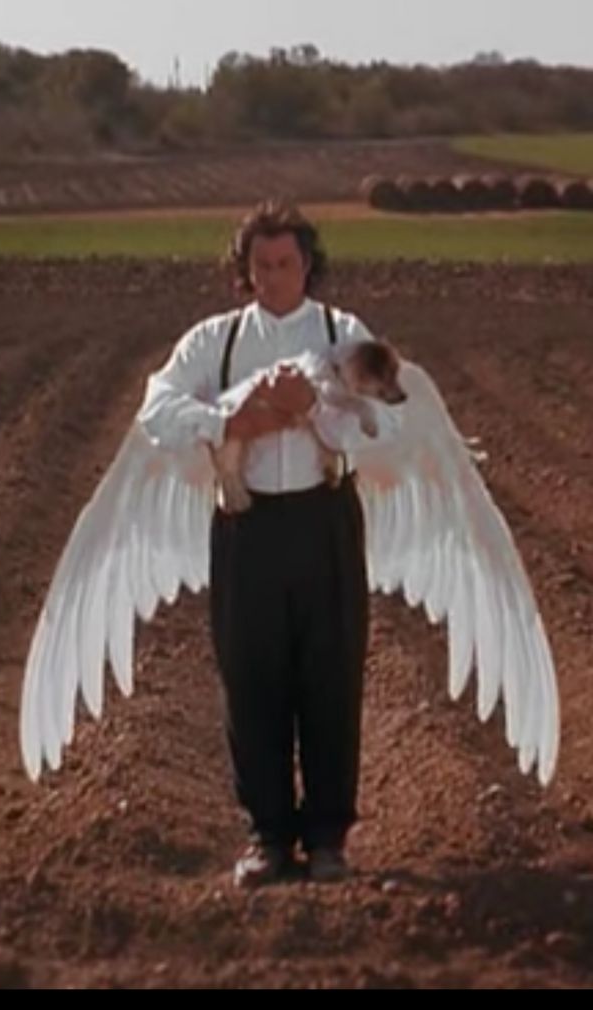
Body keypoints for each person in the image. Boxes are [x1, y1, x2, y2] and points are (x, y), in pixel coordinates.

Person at [134, 200, 401, 887]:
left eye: (285, 264)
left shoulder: (345, 334)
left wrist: (311, 412)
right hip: (247, 529)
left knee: (331, 677)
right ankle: (268, 838)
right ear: (244, 272)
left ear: (307, 266)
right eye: (260, 266)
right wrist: (234, 418)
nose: (273, 278)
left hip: (325, 521)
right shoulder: (213, 343)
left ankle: (329, 838)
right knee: (251, 679)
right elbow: (156, 407)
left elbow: (385, 425)